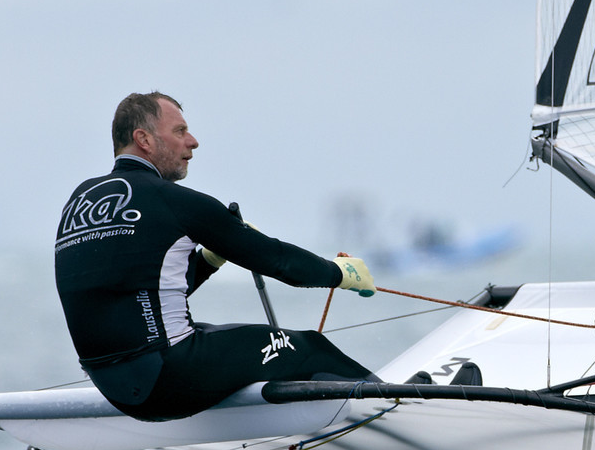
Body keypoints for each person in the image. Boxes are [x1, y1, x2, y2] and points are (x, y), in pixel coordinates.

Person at [55, 92, 377, 421]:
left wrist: (208, 260)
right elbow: (276, 260)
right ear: (144, 139)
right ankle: (399, 407)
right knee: (309, 348)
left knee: (219, 337)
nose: (192, 142)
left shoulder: (80, 202)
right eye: (180, 131)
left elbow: (136, 295)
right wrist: (339, 272)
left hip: (116, 389)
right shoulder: (171, 200)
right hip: (168, 378)